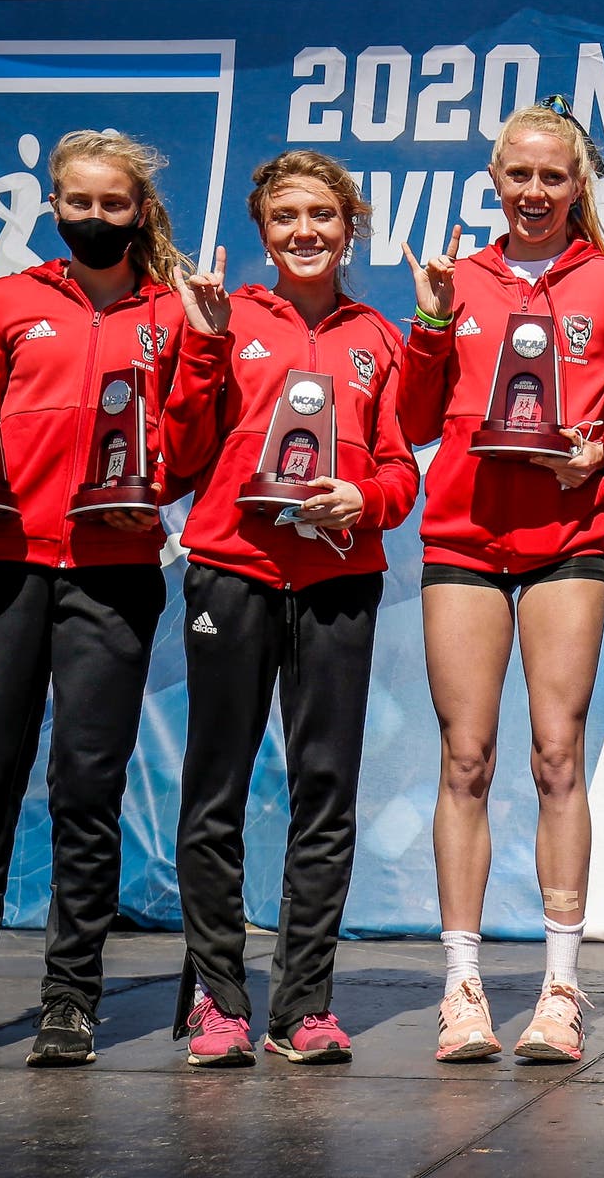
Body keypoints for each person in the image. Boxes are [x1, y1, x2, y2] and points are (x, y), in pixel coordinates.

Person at [0, 129, 185, 1069]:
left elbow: (183, 449)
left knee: (87, 790)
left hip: (114, 570)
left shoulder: (175, 314)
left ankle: (72, 998)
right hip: (3, 560)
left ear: (138, 211)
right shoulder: (7, 301)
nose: (96, 218)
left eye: (115, 204)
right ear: (55, 207)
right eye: (80, 204)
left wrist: (209, 357)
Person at [164, 150, 419, 1067]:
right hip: (231, 570)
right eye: (285, 218)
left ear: (351, 227)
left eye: (323, 215)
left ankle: (303, 1005)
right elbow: (180, 458)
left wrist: (369, 500)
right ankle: (218, 1002)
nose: (304, 231)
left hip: (336, 580)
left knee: (326, 792)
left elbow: (400, 468)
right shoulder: (226, 323)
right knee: (216, 790)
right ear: (262, 231)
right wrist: (199, 345)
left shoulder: (378, 338)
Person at [397, 99, 604, 1064]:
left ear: (580, 186)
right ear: (493, 181)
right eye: (519, 175)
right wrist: (429, 318)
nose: (535, 192)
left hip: (566, 540)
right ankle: (462, 988)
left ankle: (561, 989)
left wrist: (602, 464)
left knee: (555, 756)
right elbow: (413, 421)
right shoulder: (460, 281)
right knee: (466, 759)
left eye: (554, 176)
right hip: (461, 536)